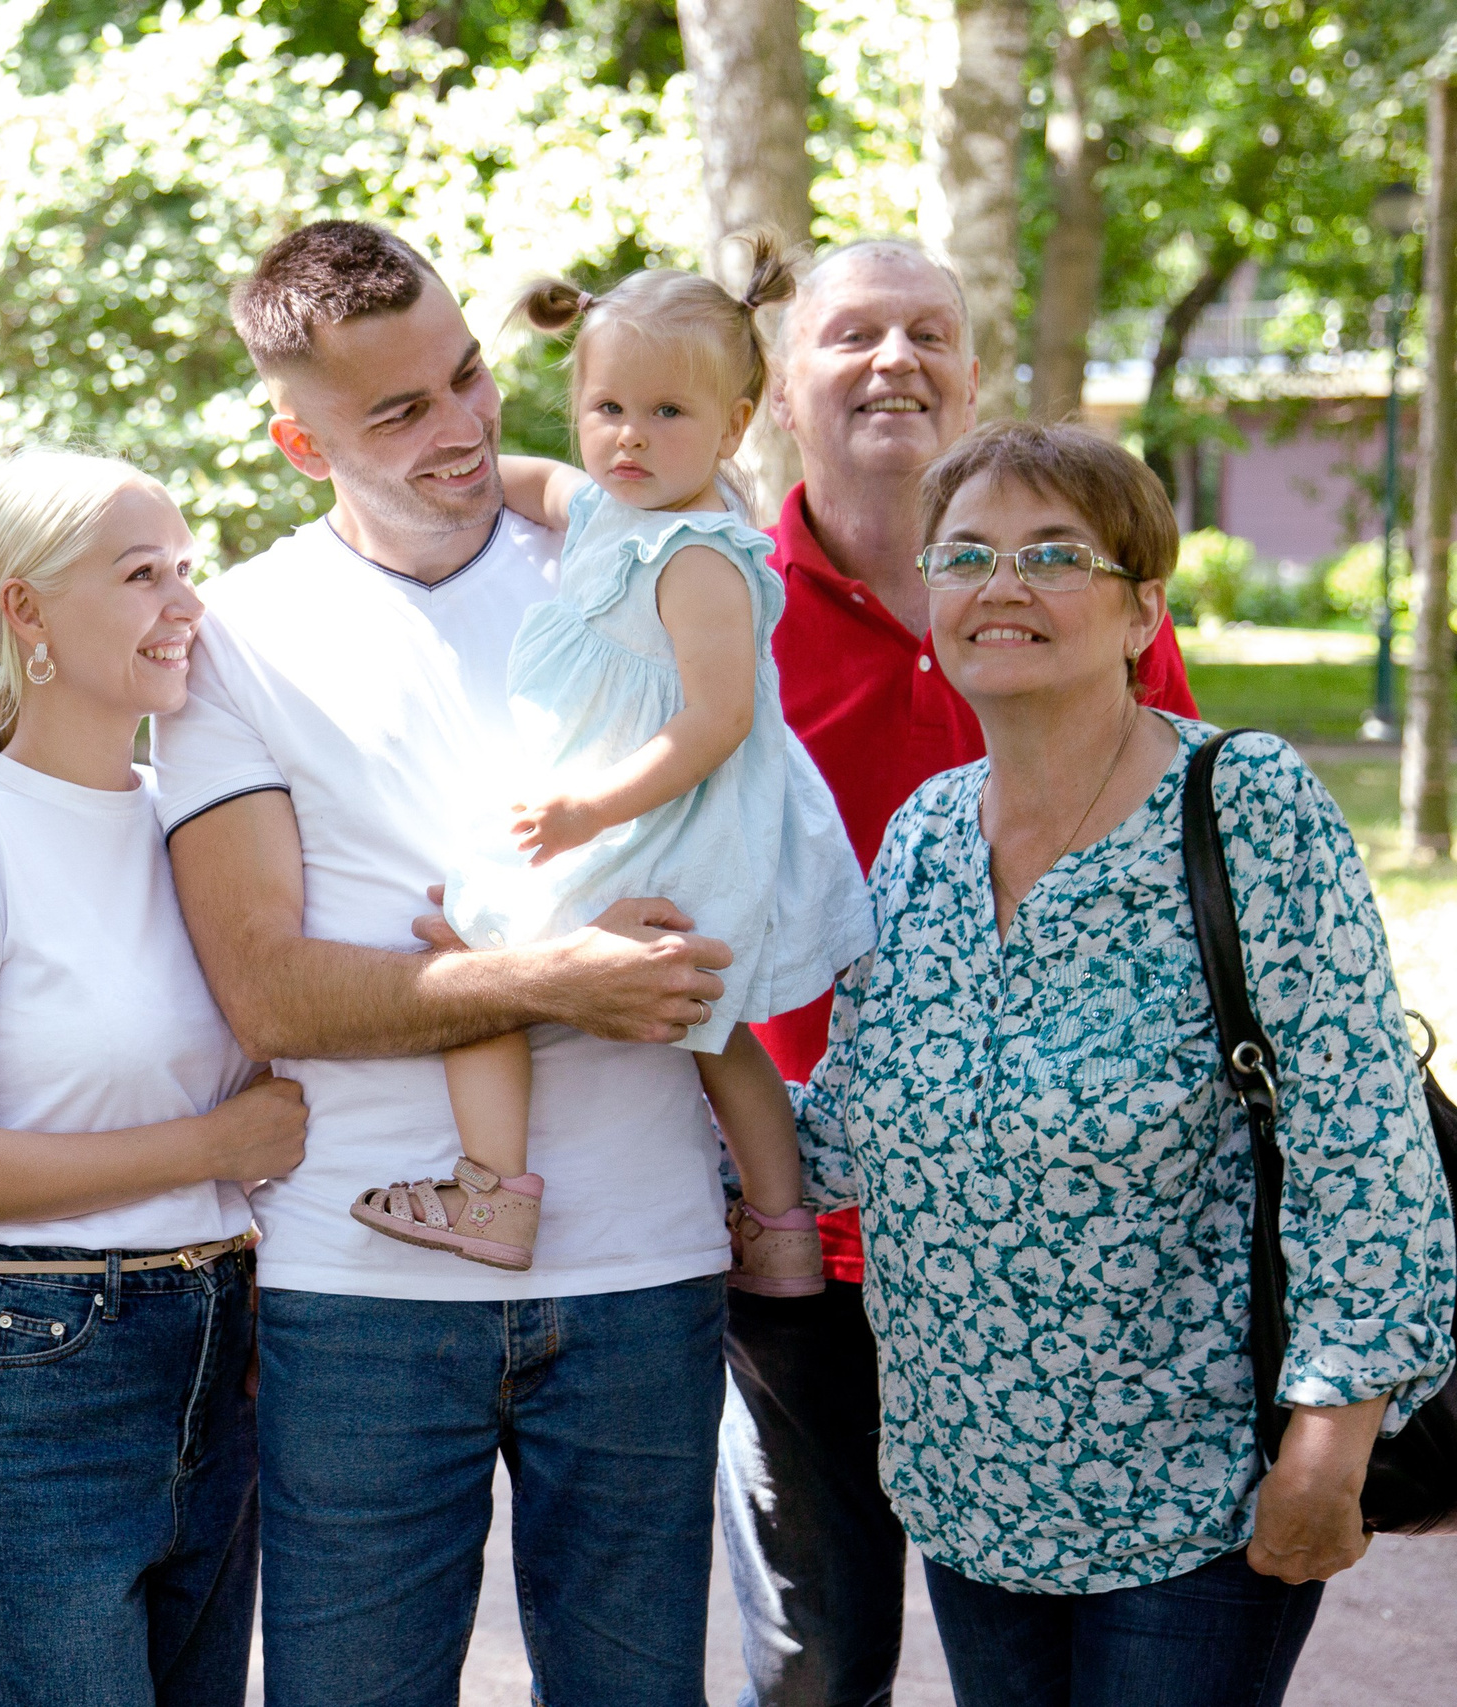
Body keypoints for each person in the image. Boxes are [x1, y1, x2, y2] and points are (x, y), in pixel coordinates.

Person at [155, 221, 738, 1706]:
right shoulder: (239, 636)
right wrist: (557, 979)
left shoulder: (631, 551)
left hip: (642, 1256)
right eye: (398, 411)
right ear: (301, 440)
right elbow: (270, 988)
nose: (465, 425)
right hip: (359, 1282)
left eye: (469, 374)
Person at [793, 418, 1453, 1705]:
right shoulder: (923, 836)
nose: (1003, 585)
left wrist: (1329, 1445)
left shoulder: (1241, 805)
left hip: (1199, 1496)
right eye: (967, 555)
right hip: (969, 1483)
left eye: (1054, 554)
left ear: (1142, 608)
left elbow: (1361, 1145)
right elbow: (852, 1125)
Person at [723, 239, 1200, 1706]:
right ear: (781, 389)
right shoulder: (720, 610)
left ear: (974, 374)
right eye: (852, 333)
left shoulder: (1078, 594)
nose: (894, 359)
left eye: (929, 331)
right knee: (821, 1656)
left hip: (1072, 1238)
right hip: (813, 1221)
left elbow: (1180, 851)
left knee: (1067, 1640)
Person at [0, 449, 305, 1707]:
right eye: (140, 574)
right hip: (33, 1375)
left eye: (185, 571)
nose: (185, 605)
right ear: (26, 611)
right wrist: (216, 1148)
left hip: (220, 1352)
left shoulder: (199, 820)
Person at [354, 234, 868, 1293]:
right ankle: (777, 1229)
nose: (629, 438)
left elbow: (720, 719)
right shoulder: (607, 510)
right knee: (709, 1027)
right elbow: (528, 481)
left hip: (669, 815)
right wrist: (418, 473)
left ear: (731, 425)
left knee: (472, 954)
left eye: (667, 414)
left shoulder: (695, 558)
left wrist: (591, 808)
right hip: (639, 815)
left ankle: (492, 1188)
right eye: (607, 410)